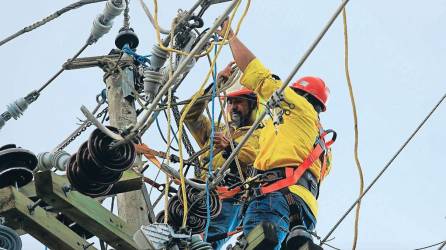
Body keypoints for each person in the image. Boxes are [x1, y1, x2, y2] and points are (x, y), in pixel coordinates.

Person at [217, 21, 335, 249]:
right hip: (305, 211)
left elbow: (259, 76)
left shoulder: (297, 106)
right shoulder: (323, 146)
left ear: (300, 94)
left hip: (276, 196)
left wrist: (231, 37)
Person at [182, 72, 261, 249]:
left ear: (252, 105)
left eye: (239, 102)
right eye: (230, 102)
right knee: (177, 236)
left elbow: (252, 159)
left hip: (230, 198)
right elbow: (188, 115)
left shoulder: (260, 133)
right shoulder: (218, 130)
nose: (233, 107)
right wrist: (216, 85)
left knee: (205, 243)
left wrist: (229, 148)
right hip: (198, 195)